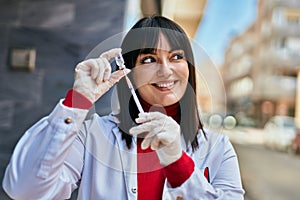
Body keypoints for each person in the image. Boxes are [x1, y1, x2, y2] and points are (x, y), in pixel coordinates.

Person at [2, 16, 245, 200]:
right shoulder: (92, 136)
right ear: (128, 72)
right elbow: (25, 190)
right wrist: (77, 102)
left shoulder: (218, 149)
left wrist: (178, 163)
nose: (166, 70)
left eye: (176, 57)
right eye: (148, 59)